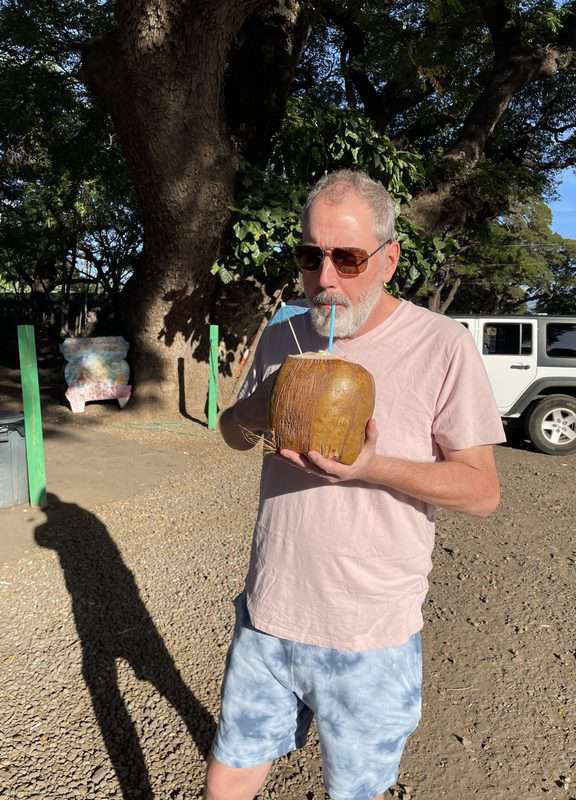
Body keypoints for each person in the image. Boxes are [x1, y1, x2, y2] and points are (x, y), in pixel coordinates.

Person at [207, 169, 505, 800]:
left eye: (347, 257)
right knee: (231, 769)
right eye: (311, 257)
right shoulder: (285, 335)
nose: (327, 279)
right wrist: (253, 412)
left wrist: (372, 467)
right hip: (270, 612)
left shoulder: (441, 345)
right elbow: (234, 435)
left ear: (390, 258)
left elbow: (483, 493)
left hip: (368, 632)